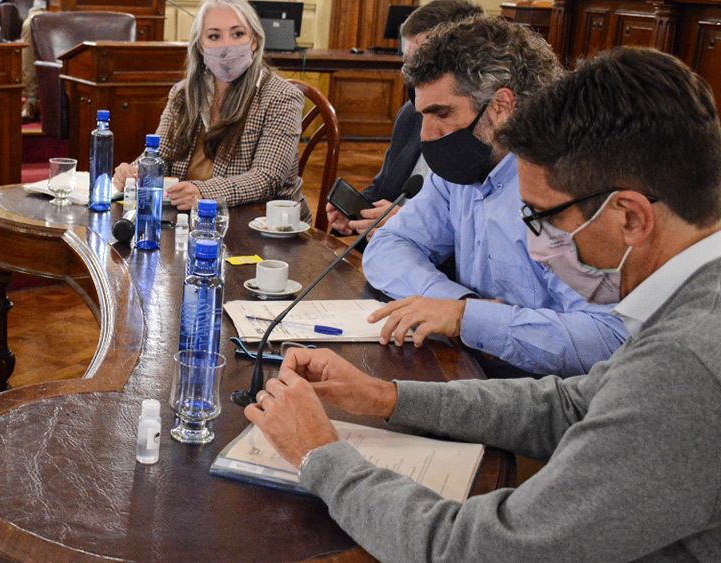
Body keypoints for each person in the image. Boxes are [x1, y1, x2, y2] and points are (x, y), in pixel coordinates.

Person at [246, 46, 721, 561]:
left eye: (541, 219)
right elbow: (571, 405)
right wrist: (387, 398)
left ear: (629, 216)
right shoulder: (695, 297)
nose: (537, 243)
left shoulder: (686, 363)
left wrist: (321, 456)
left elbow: (479, 551)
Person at [361, 16, 627, 377]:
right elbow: (389, 244)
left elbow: (608, 339)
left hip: (550, 399)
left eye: (441, 113)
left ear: (501, 105)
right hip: (472, 370)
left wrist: (471, 320)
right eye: (423, 114)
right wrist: (458, 304)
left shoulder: (564, 186)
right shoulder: (461, 171)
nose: (427, 134)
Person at [112, 0, 307, 215]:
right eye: (214, 36)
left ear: (254, 41)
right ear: (201, 46)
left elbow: (266, 179)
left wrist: (203, 192)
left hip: (264, 225)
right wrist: (136, 172)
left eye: (238, 34)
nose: (227, 45)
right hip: (189, 219)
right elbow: (160, 154)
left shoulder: (282, 97)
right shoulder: (182, 93)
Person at [327, 0, 484, 237]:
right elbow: (384, 188)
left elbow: (473, 238)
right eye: (407, 63)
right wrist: (357, 215)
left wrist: (408, 221)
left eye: (421, 62)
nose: (410, 75)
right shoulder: (411, 113)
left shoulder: (485, 134)